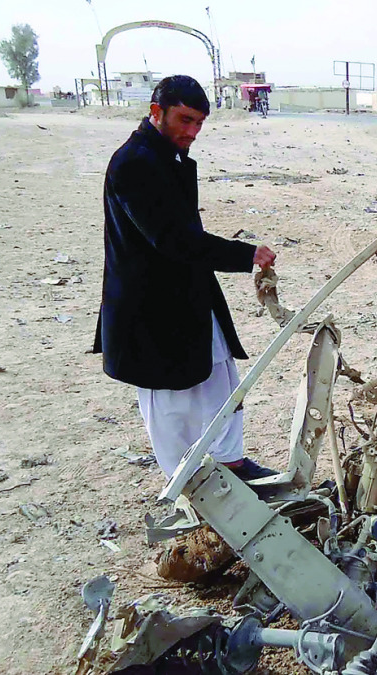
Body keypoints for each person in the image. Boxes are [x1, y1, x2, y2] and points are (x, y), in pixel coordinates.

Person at [94, 75, 278, 480]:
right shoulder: (134, 163)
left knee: (219, 377)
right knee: (170, 403)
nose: (192, 132)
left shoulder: (163, 157)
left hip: (186, 295)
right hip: (149, 308)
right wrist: (244, 254)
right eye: (185, 120)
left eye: (199, 123)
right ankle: (188, 482)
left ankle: (232, 464)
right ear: (156, 111)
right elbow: (174, 240)